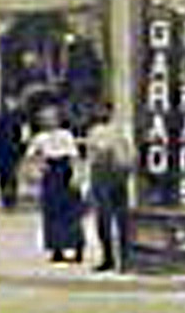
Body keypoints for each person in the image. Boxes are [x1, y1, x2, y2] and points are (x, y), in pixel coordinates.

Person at [24, 103, 83, 263]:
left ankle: (76, 247)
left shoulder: (66, 135)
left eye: (51, 118)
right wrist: (38, 167)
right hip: (51, 174)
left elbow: (74, 157)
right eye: (45, 119)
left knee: (71, 213)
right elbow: (30, 156)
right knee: (52, 213)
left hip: (65, 172)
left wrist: (76, 176)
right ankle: (56, 248)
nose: (49, 122)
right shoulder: (40, 138)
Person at [84, 103, 135, 272]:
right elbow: (130, 154)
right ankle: (121, 258)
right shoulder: (120, 130)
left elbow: (95, 156)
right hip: (117, 176)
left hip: (105, 176)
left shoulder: (97, 132)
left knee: (107, 219)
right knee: (118, 219)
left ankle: (112, 258)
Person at [0, 94, 28, 210]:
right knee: (3, 176)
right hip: (2, 151)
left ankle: (12, 200)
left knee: (12, 176)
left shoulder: (19, 118)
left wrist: (21, 149)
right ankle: (6, 199)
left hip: (13, 152)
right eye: (9, 101)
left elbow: (23, 135)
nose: (11, 104)